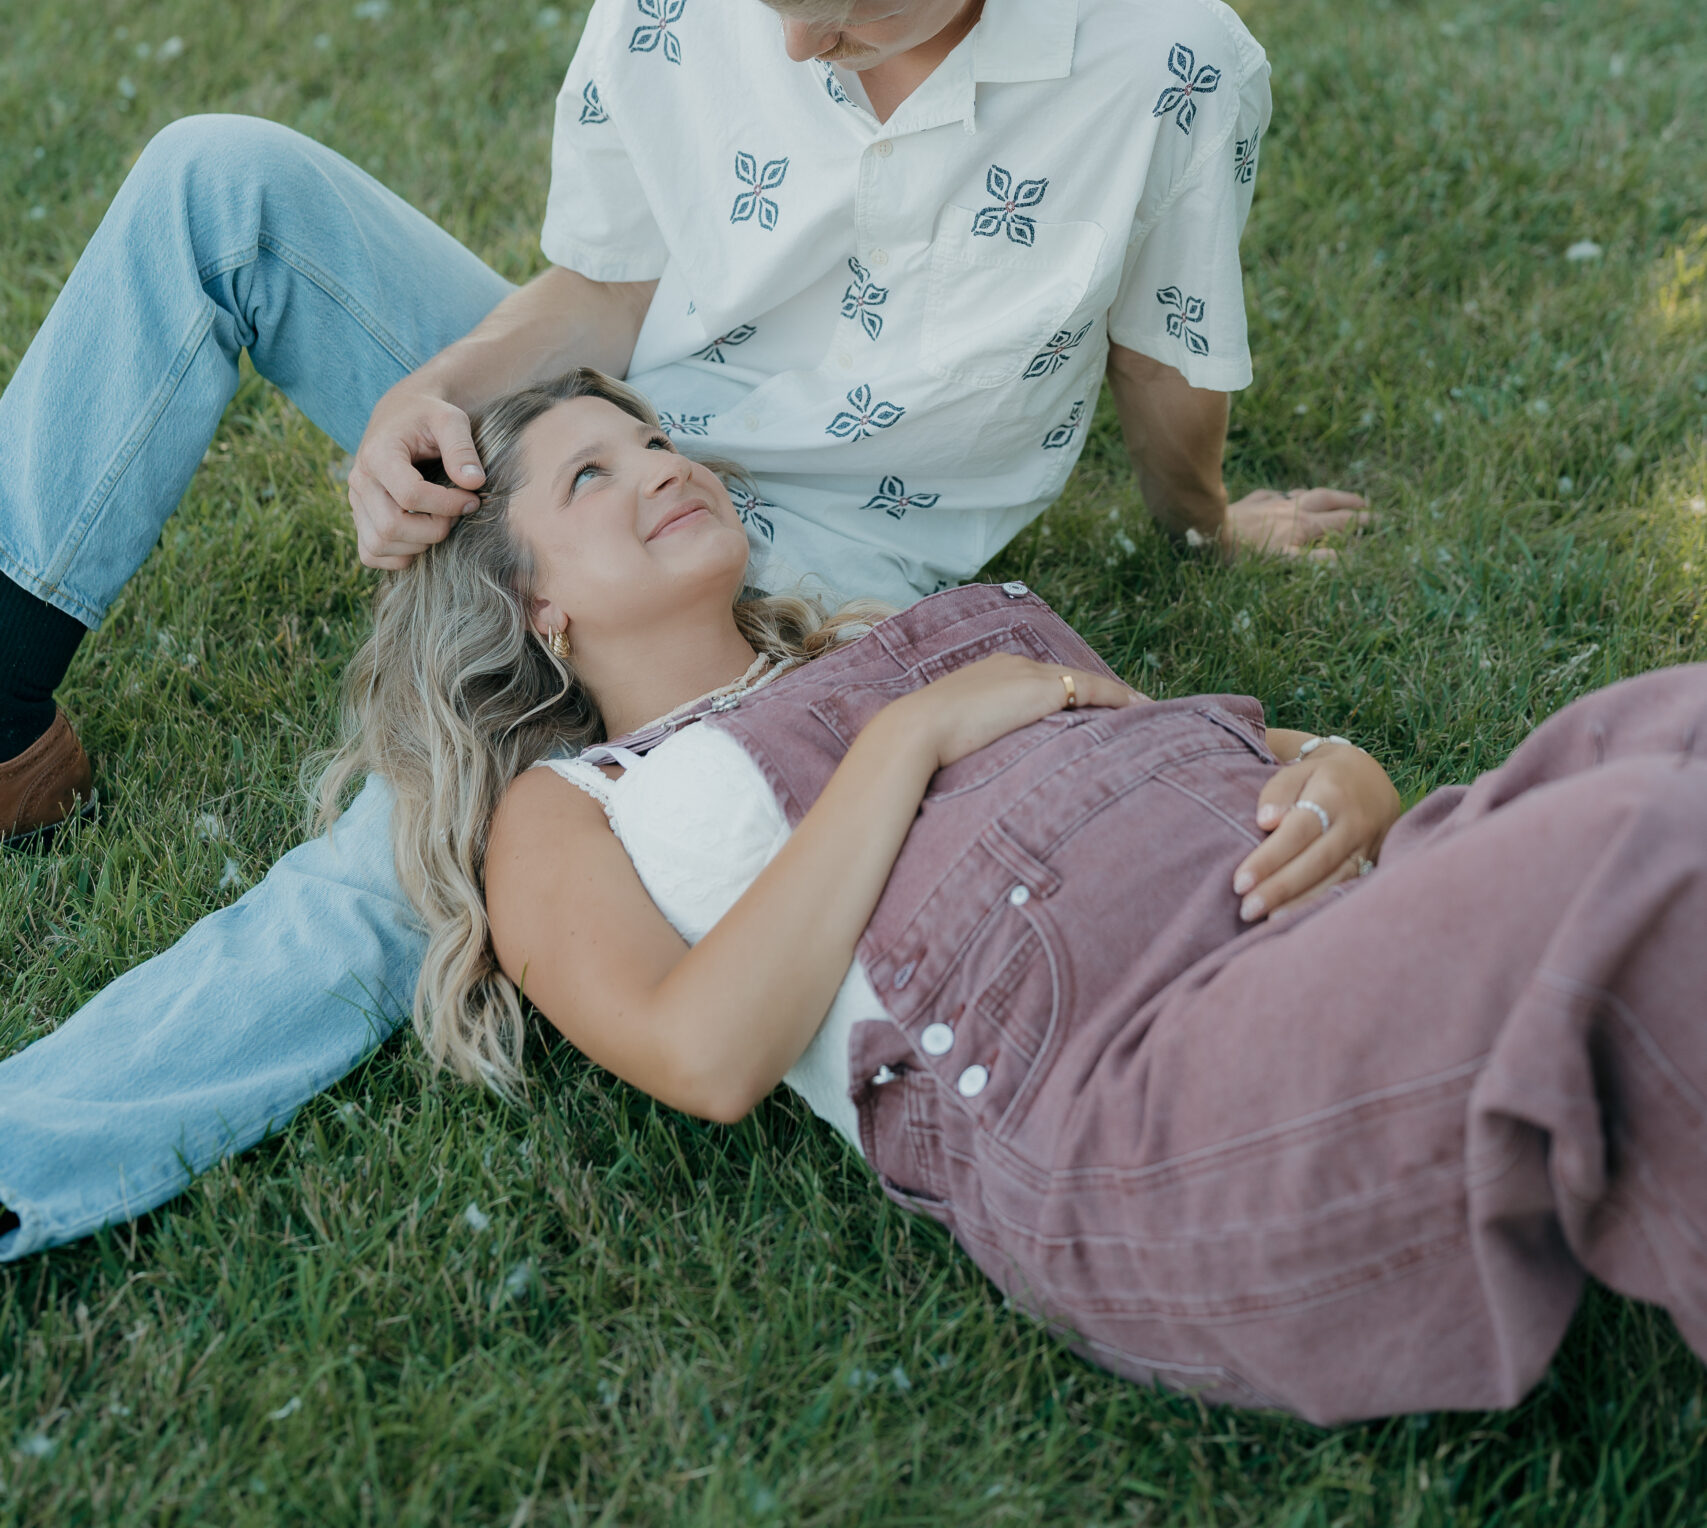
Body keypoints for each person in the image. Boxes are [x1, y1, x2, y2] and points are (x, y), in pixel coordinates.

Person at [0, 0, 1365, 1258]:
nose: (793, 43)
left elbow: (1163, 363)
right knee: (217, 177)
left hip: (823, 555)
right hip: (602, 410)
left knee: (403, 854)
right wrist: (433, 392)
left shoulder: (1171, 69)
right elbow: (597, 294)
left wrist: (1208, 527)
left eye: (846, 18)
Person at [254, 377, 1707, 1417]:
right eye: (591, 478)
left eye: (653, 438)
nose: (658, 467)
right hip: (1141, 1100)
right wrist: (908, 739)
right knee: (1653, 836)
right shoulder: (574, 811)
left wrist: (1351, 774)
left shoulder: (887, 632)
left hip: (1336, 922)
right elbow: (704, 1057)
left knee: (1672, 729)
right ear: (534, 606)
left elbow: (1234, 753)